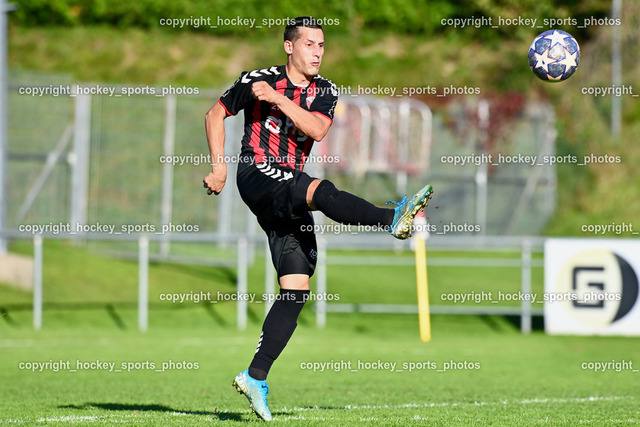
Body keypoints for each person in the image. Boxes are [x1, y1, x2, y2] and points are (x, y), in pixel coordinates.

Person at [203, 16, 432, 422]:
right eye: (309, 44)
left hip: (287, 188)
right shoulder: (255, 78)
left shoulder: (325, 90)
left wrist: (277, 100)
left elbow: (318, 129)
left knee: (296, 287)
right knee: (320, 190)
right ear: (289, 47)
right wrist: (219, 168)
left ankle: (255, 376)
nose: (317, 52)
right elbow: (214, 115)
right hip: (257, 172)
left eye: (322, 45)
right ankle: (391, 217)